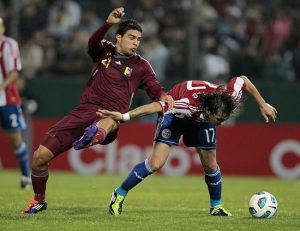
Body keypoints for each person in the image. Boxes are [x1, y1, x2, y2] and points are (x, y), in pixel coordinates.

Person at [23, 7, 173, 214]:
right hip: (83, 111)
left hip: (110, 115)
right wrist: (108, 24)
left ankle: (93, 135)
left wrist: (165, 97)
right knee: (39, 158)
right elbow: (91, 43)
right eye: (131, 37)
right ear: (118, 38)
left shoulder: (142, 66)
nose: (136, 42)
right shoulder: (104, 50)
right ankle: (38, 200)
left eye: (138, 39)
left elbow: (156, 90)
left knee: (109, 120)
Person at [97, 75, 277, 216]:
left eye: (225, 118)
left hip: (201, 121)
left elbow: (243, 80)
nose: (222, 123)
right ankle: (119, 194)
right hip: (175, 117)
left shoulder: (230, 99)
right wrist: (124, 117)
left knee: (210, 164)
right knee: (156, 163)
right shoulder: (185, 105)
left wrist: (263, 104)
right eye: (219, 119)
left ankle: (216, 207)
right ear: (208, 111)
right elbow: (154, 107)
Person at [0, 17, 31, 189]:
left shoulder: (9, 44)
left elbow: (13, 73)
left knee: (15, 139)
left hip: (7, 99)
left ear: (3, 29)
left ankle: (26, 176)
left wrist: (0, 88)